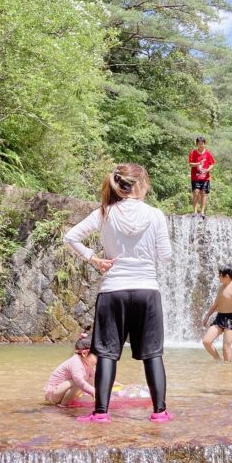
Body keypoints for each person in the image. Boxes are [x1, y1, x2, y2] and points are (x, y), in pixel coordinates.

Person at [63, 163, 173, 423]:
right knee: (153, 354)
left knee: (107, 354)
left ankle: (101, 413)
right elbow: (166, 256)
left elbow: (70, 237)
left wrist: (94, 259)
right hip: (147, 290)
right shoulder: (155, 214)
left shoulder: (104, 213)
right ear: (139, 184)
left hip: (113, 290)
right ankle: (160, 412)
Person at [201, 265, 232, 363]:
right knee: (206, 341)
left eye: (220, 275)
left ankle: (227, 371)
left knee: (226, 348)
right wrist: (207, 316)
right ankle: (218, 360)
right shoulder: (222, 287)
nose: (218, 277)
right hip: (220, 317)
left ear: (226, 276)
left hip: (231, 318)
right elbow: (216, 304)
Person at [44, 332, 96, 406]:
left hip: (61, 392)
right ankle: (63, 405)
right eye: (97, 356)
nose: (100, 360)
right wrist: (92, 390)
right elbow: (79, 381)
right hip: (54, 394)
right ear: (84, 353)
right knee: (78, 382)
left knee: (89, 380)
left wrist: (111, 384)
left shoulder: (88, 364)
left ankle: (67, 403)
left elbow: (97, 377)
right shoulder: (76, 362)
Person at [188, 136, 215, 218]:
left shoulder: (208, 153)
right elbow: (190, 164)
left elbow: (212, 164)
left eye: (203, 143)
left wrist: (207, 170)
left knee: (203, 193)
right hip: (195, 177)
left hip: (205, 177)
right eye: (199, 144)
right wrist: (198, 164)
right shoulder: (193, 153)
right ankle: (194, 211)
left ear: (204, 144)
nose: (201, 145)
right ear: (197, 144)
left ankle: (202, 211)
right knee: (196, 192)